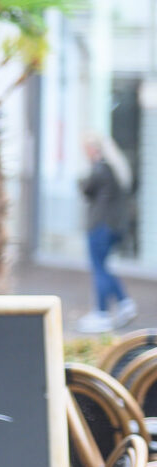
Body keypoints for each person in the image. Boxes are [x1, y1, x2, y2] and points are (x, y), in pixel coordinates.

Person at [76, 133, 137, 334]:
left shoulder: (101, 169)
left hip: (100, 226)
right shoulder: (114, 169)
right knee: (104, 267)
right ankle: (124, 303)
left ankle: (102, 313)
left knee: (99, 268)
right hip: (110, 226)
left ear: (95, 149)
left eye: (86, 148)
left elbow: (85, 187)